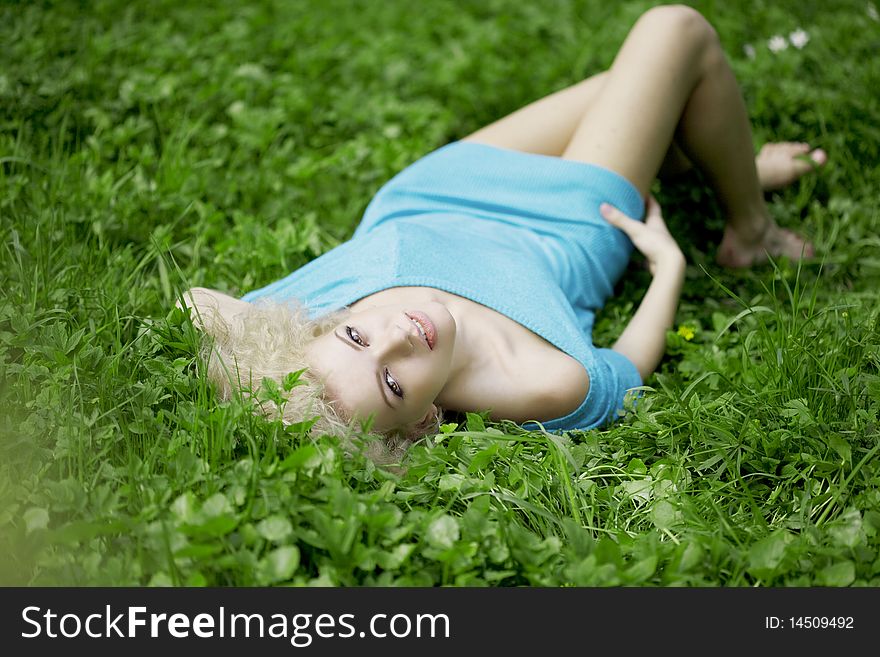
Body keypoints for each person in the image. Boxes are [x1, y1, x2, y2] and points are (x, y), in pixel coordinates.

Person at [182, 5, 826, 463]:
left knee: (643, 87)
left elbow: (195, 302)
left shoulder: (310, 329)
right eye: (394, 384)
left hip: (440, 188)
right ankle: (750, 230)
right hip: (567, 222)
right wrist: (669, 267)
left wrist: (280, 364)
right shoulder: (539, 382)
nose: (399, 335)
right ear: (424, 421)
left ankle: (721, 157)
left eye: (358, 334)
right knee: (673, 34)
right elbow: (624, 372)